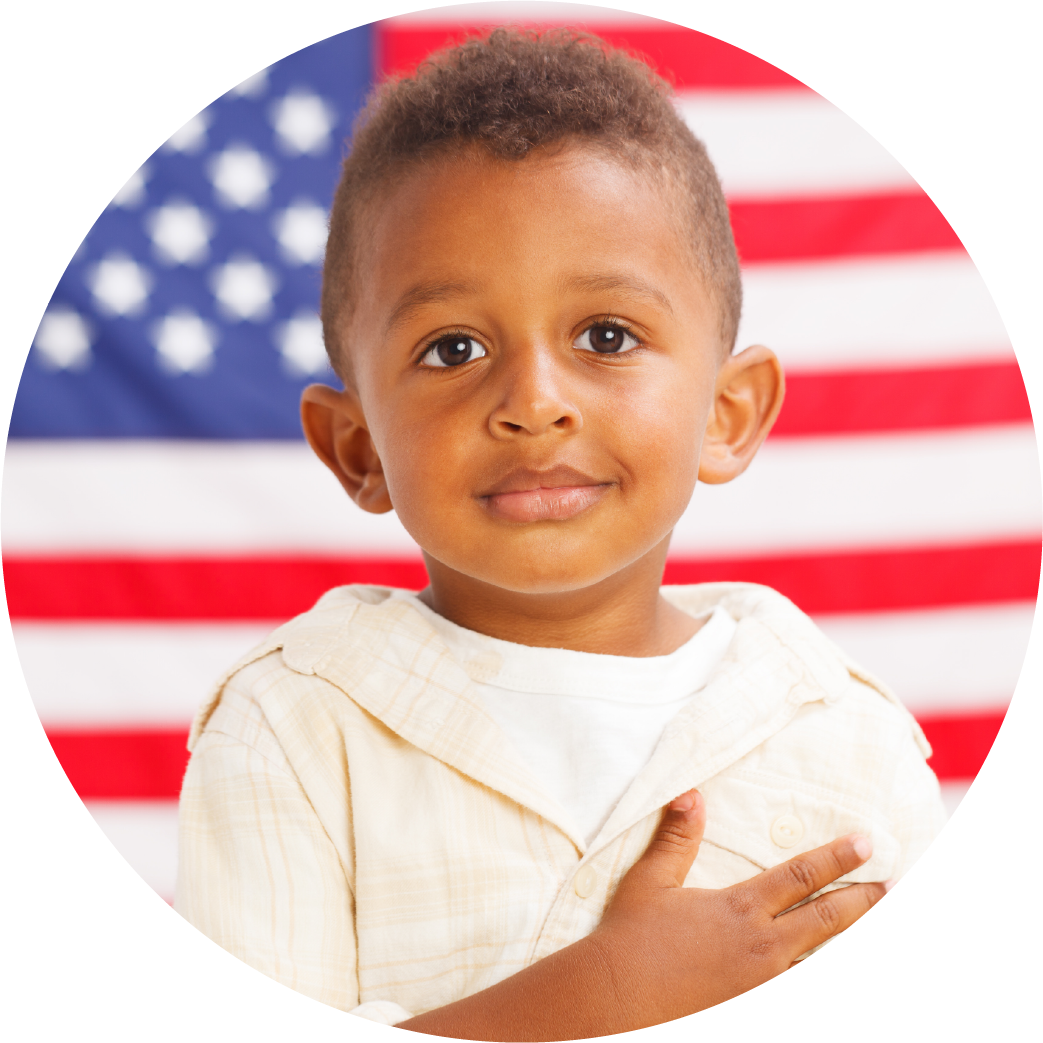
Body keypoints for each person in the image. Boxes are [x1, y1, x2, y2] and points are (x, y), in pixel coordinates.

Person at [175, 28, 946, 1040]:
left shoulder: (845, 732)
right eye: (452, 348)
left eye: (605, 336)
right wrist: (606, 995)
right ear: (355, 446)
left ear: (726, 412)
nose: (533, 402)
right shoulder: (290, 731)